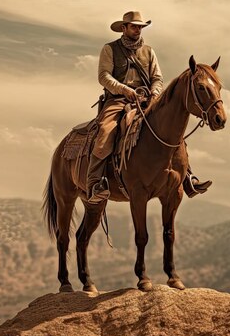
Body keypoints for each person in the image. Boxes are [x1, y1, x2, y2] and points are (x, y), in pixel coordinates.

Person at [87, 11, 212, 204]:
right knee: (106, 130)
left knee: (172, 131)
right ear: (124, 28)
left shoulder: (149, 51)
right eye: (134, 26)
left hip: (147, 99)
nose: (138, 30)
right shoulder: (110, 49)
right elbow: (104, 76)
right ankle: (96, 182)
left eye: (140, 27)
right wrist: (125, 90)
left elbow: (157, 78)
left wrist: (155, 92)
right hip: (118, 100)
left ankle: (187, 177)